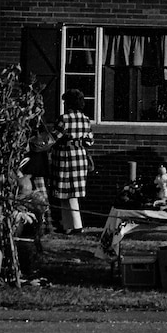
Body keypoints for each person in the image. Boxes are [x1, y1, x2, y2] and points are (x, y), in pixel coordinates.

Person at [51, 88, 94, 234]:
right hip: (79, 156)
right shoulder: (86, 119)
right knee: (71, 193)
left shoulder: (64, 119)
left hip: (65, 156)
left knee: (65, 192)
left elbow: (53, 137)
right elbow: (90, 141)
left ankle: (76, 225)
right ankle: (67, 225)